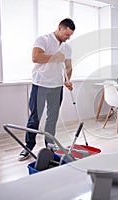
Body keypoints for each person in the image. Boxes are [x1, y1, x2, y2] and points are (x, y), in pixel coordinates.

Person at [18, 18, 75, 161]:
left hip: (57, 87)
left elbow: (68, 66)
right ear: (60, 28)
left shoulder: (67, 47)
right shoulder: (43, 39)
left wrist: (67, 80)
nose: (68, 38)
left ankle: (49, 146)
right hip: (40, 84)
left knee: (52, 118)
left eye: (70, 36)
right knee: (34, 118)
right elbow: (36, 57)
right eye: (66, 34)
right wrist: (56, 57)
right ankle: (28, 146)